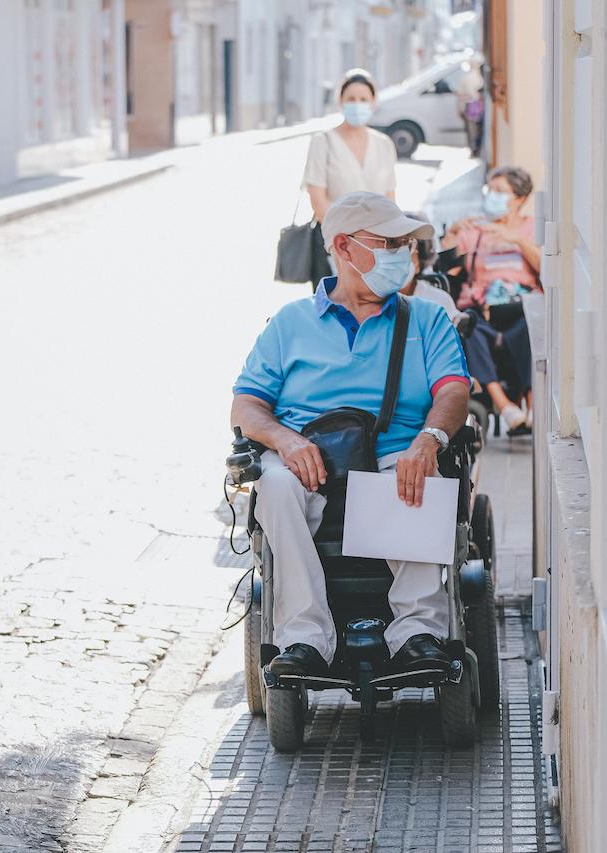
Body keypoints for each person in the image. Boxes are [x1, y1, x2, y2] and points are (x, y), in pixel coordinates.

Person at [231, 192, 470, 683]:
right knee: (273, 484)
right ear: (344, 246)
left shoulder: (426, 319)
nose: (403, 253)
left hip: (395, 453)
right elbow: (246, 406)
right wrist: (285, 440)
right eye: (390, 242)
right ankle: (304, 638)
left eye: (406, 244)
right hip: (309, 459)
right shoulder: (290, 323)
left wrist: (430, 438)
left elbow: (453, 390)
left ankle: (418, 632)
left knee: (415, 468)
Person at [440, 165, 540, 430]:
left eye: (500, 191)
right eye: (490, 190)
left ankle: (532, 405)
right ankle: (505, 405)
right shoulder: (475, 229)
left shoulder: (532, 228)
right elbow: (448, 270)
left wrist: (517, 240)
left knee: (531, 327)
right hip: (481, 309)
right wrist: (451, 235)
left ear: (519, 199)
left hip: (521, 308)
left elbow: (546, 267)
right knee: (468, 327)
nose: (492, 196)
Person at [302, 69, 399, 284]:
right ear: (341, 101)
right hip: (334, 244)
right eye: (351, 99)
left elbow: (389, 198)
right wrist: (343, 243)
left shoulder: (383, 144)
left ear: (373, 102)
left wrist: (388, 241)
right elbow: (318, 199)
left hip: (376, 247)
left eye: (364, 99)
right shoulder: (323, 142)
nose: (358, 104)